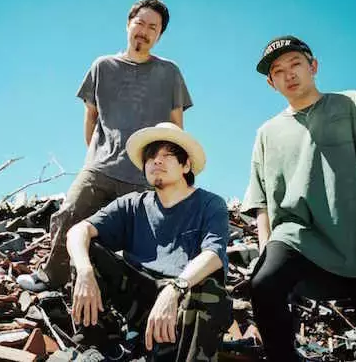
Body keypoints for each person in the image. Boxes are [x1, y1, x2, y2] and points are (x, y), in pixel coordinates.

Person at [242, 36, 356, 361]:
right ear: (271, 83)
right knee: (265, 284)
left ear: (313, 66)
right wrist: (265, 251)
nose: (289, 74)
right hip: (297, 237)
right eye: (278, 71)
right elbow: (261, 201)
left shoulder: (354, 104)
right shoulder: (266, 133)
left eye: (296, 64)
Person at [18, 0, 192, 291]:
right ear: (128, 24)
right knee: (69, 213)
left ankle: (139, 297)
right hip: (101, 167)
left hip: (145, 175)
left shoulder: (170, 72)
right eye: (140, 23)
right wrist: (95, 156)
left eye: (153, 28)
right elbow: (91, 116)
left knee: (145, 240)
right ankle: (52, 278)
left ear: (159, 36)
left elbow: (176, 127)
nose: (144, 31)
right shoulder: (102, 66)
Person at [66, 122, 232, 361]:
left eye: (167, 155)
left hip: (181, 302)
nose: (157, 161)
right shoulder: (133, 204)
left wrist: (174, 289)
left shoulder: (210, 204)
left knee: (209, 290)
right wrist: (85, 271)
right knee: (86, 251)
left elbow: (213, 254)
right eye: (151, 157)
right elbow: (77, 231)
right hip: (139, 298)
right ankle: (101, 347)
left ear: (186, 165)